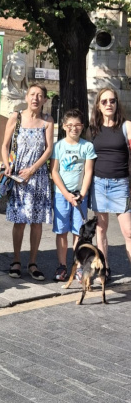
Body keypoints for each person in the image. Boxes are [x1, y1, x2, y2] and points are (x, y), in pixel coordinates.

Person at [1, 83, 53, 280]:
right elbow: (5, 146)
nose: (35, 98)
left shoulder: (48, 121)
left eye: (40, 95)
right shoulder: (16, 117)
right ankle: (16, 260)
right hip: (18, 178)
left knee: (36, 222)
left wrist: (32, 170)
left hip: (37, 177)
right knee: (19, 221)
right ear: (26, 97)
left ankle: (32, 262)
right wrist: (7, 166)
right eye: (32, 94)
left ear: (45, 100)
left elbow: (48, 150)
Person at [88, 87, 131, 282]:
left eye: (112, 101)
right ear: (98, 105)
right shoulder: (93, 128)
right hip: (98, 185)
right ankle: (104, 268)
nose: (108, 104)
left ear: (117, 104)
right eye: (104, 101)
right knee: (101, 230)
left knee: (128, 231)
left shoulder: (126, 126)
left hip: (120, 185)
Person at [51, 109, 96, 282]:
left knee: (79, 231)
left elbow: (88, 172)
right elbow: (54, 172)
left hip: (80, 196)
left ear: (82, 127)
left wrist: (82, 194)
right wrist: (66, 194)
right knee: (61, 231)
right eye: (70, 125)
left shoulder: (87, 146)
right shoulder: (59, 146)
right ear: (63, 126)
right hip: (62, 195)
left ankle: (77, 265)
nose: (74, 128)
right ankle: (62, 265)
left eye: (77, 125)